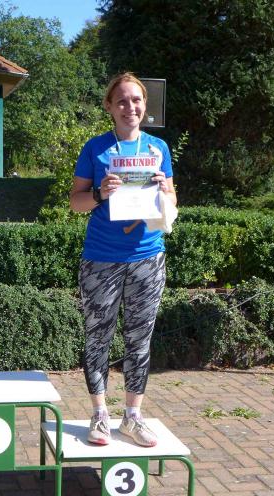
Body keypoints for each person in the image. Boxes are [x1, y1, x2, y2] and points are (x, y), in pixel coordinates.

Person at [69, 72, 177, 448]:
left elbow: (172, 203)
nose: (130, 107)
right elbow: (76, 202)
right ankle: (100, 414)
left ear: (144, 104)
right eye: (122, 101)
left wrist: (164, 191)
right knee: (98, 337)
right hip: (101, 258)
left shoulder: (158, 148)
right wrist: (100, 194)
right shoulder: (96, 148)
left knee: (139, 339)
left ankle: (132, 416)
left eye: (136, 100)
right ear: (110, 107)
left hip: (148, 256)